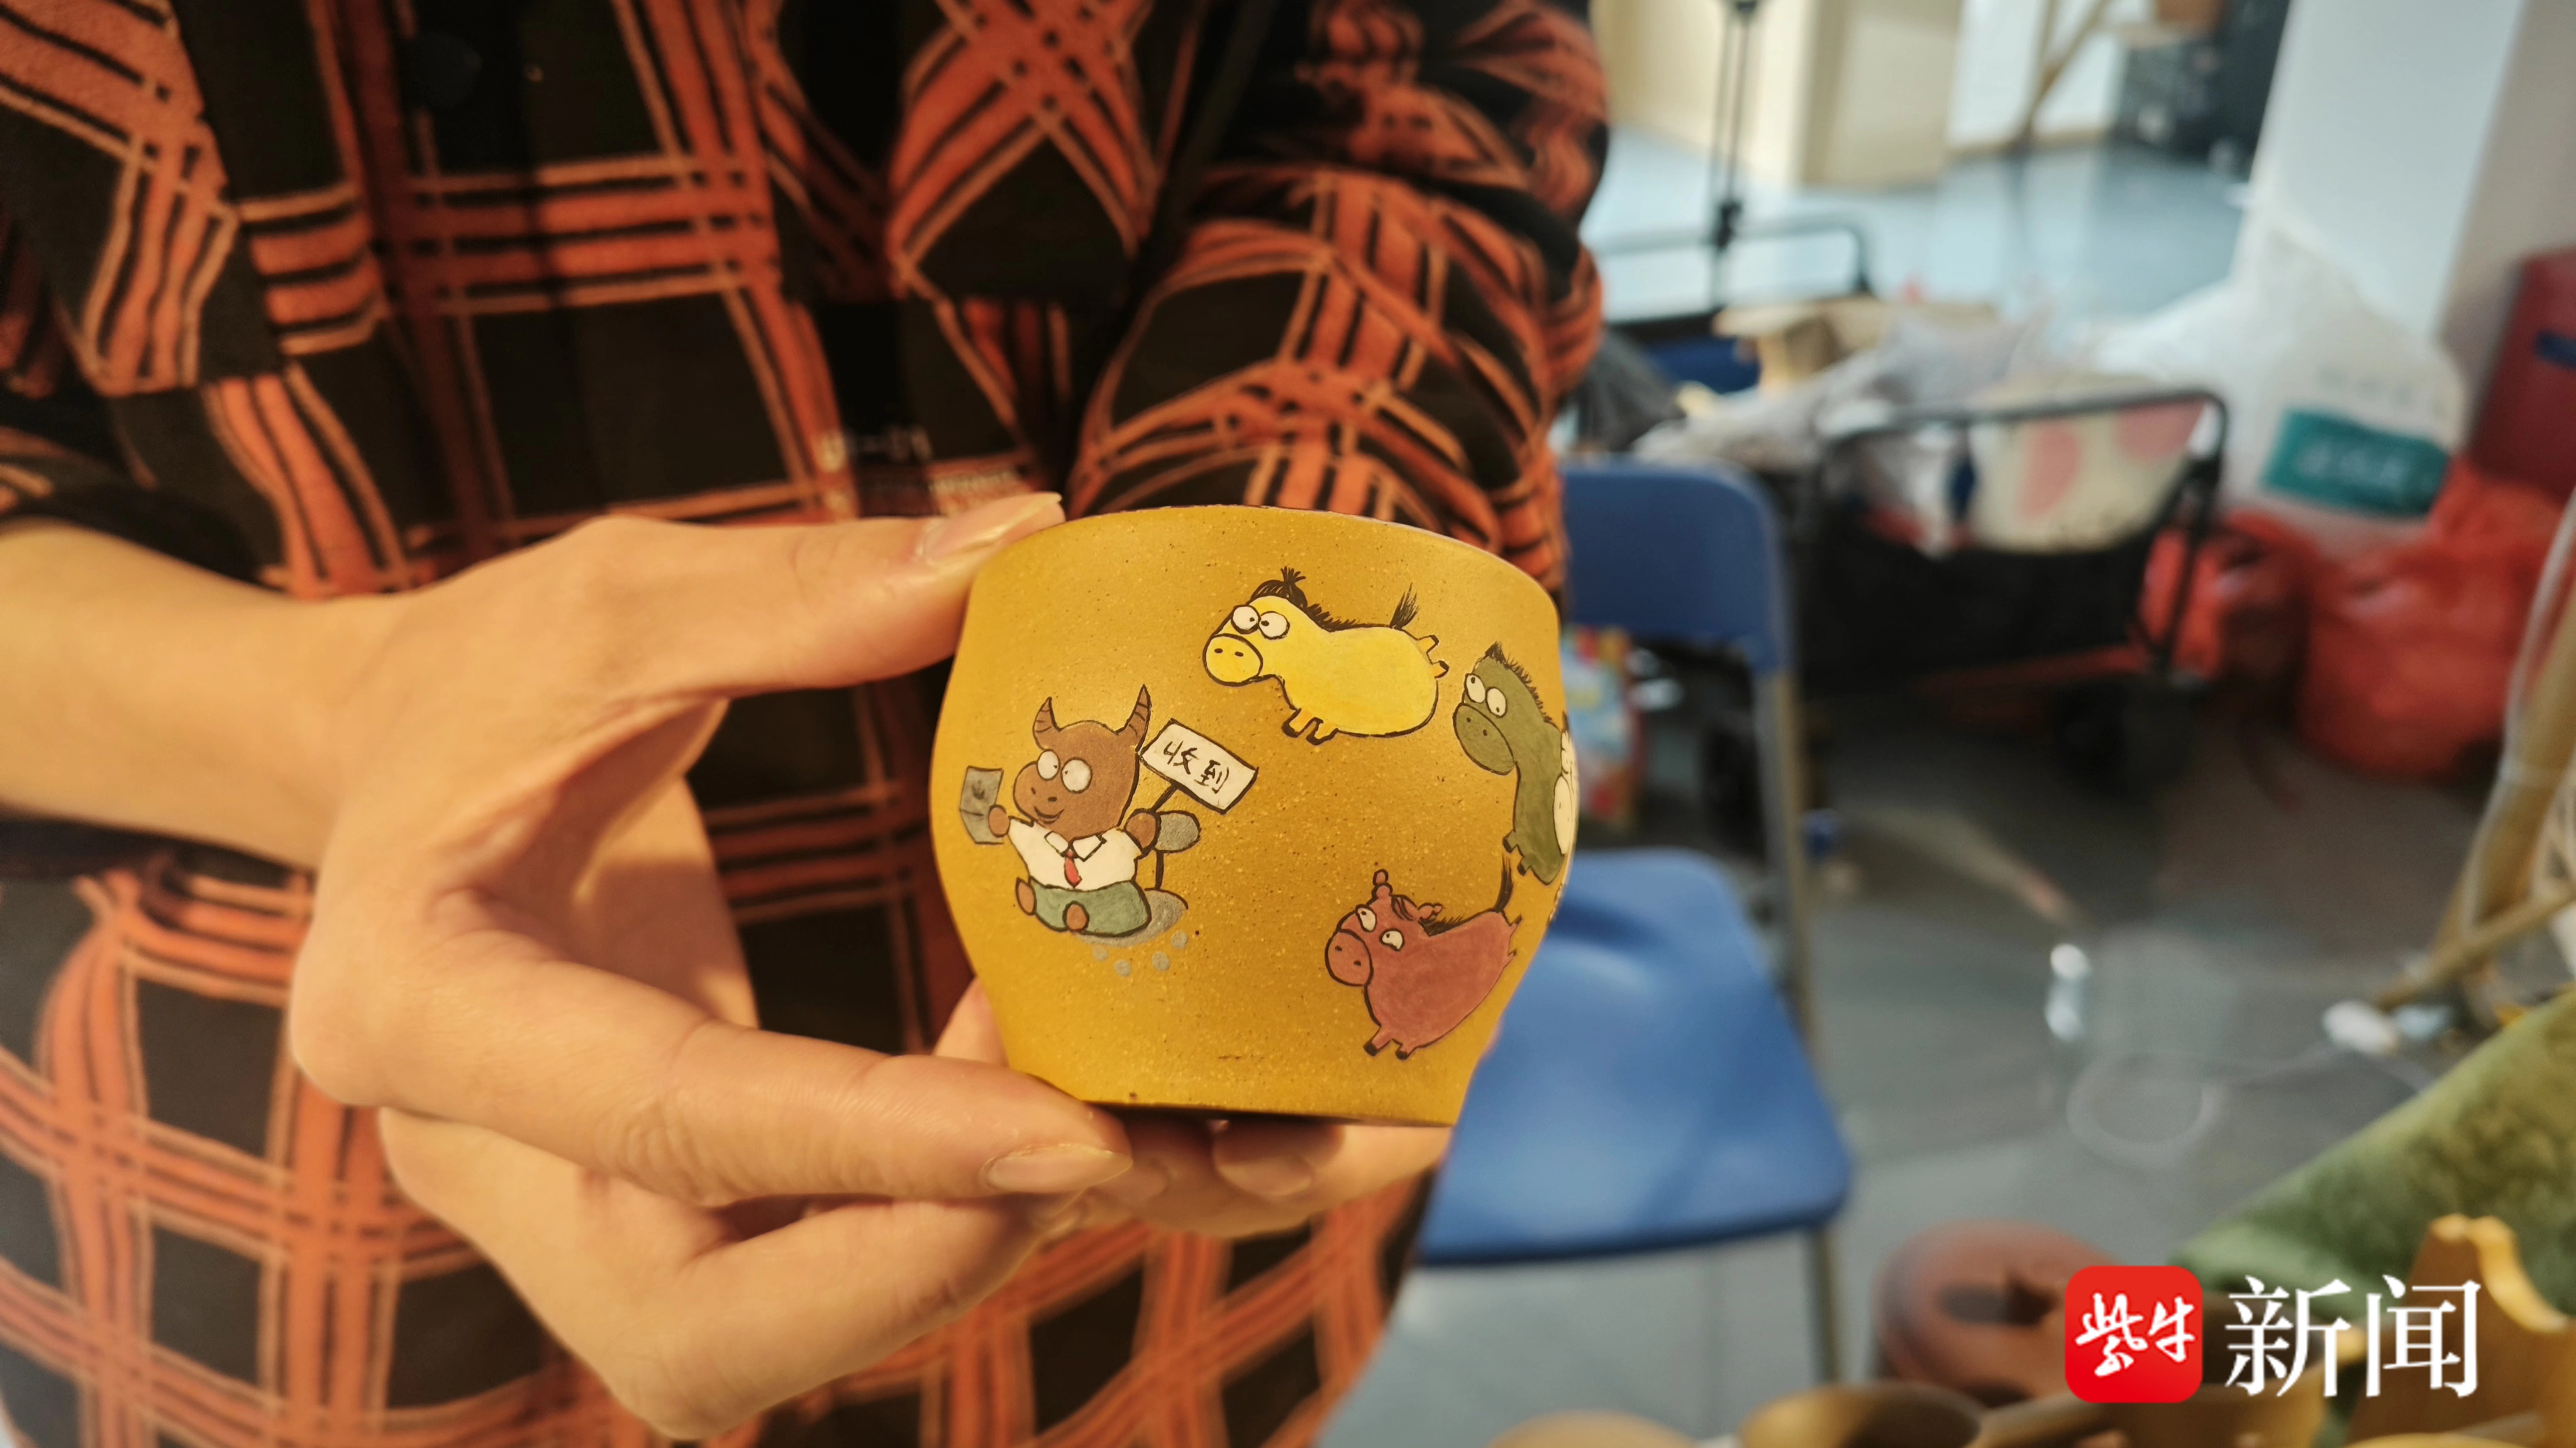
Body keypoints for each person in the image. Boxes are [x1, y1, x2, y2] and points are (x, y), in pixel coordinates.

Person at [0, 3, 1603, 1445]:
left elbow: (1417, 114)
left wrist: (1260, 564)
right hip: (277, 1178)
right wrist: (336, 719)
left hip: (1167, 1209)